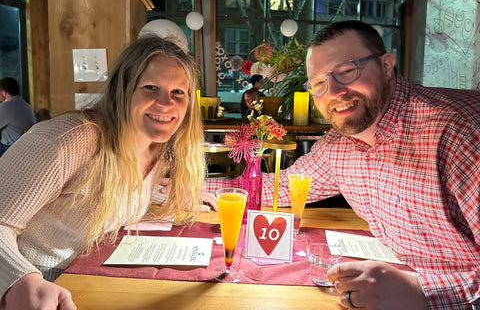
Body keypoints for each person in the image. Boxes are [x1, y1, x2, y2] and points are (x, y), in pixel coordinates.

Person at [207, 20, 480, 309]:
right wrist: (197, 189)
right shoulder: (341, 143)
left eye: (347, 71)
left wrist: (421, 293)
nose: (335, 92)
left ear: (387, 66)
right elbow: (285, 185)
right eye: (319, 83)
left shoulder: (461, 136)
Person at [0, 35, 217, 310]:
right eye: (151, 87)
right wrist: (21, 279)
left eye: (178, 92)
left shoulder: (158, 148)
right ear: (122, 89)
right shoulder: (68, 140)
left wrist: (163, 198)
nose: (166, 103)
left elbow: (109, 200)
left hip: (85, 279)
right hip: (29, 288)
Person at [0, 77, 37, 156]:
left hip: (11, 148)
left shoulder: (6, 106)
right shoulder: (26, 105)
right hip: (27, 145)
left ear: (3, 92)